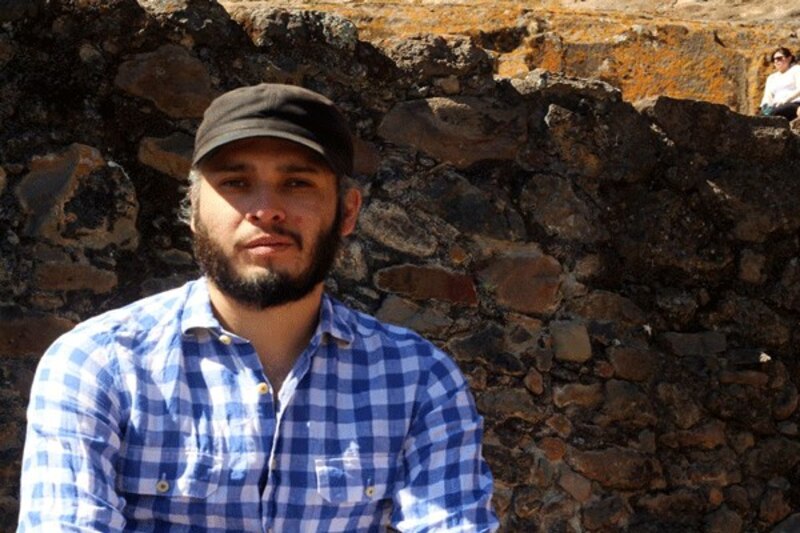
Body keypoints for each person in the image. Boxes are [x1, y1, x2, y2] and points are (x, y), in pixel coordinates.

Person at [17, 84, 498, 531]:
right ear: (193, 208)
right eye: (236, 182)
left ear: (347, 212)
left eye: (297, 183)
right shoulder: (97, 365)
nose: (266, 209)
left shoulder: (418, 380)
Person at [759, 47, 800, 120]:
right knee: (761, 117)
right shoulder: (771, 78)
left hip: (794, 103)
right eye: (773, 59)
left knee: (775, 112)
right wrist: (765, 106)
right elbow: (767, 96)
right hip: (776, 106)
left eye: (779, 58)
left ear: (789, 58)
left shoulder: (796, 70)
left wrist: (785, 100)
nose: (776, 61)